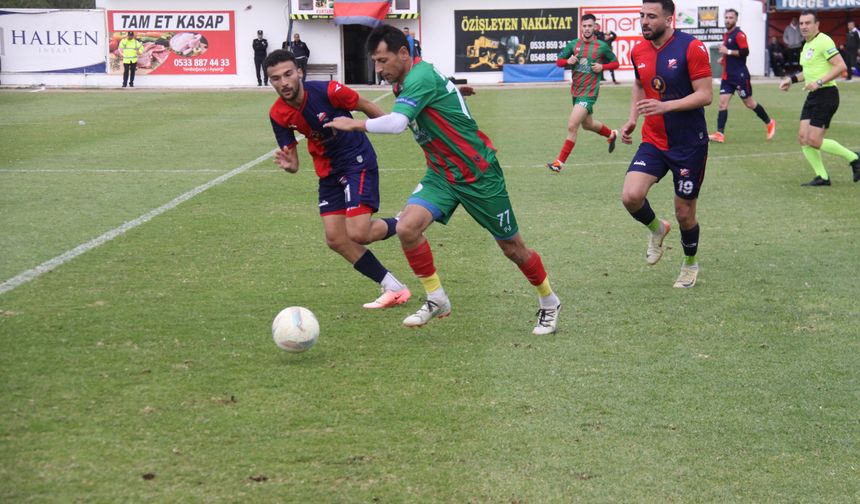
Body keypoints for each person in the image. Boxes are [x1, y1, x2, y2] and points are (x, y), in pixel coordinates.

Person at [326, 25, 562, 335]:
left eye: (383, 60)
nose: (379, 68)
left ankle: (549, 302)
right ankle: (437, 298)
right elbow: (435, 92)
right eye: (375, 61)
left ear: (403, 54)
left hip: (478, 174)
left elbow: (397, 124)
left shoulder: (418, 78)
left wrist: (354, 124)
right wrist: (452, 90)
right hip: (441, 174)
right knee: (408, 227)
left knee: (513, 248)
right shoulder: (409, 79)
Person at [264, 49, 411, 308]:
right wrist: (288, 165)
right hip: (328, 171)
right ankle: (393, 287)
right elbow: (294, 164)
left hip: (356, 160)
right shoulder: (277, 114)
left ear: (300, 72)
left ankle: (406, 222)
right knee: (336, 239)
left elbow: (366, 106)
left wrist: (390, 126)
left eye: (288, 74)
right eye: (276, 78)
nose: (284, 82)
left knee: (359, 232)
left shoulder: (329, 90)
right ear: (270, 81)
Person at [619, 0, 713, 289]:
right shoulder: (638, 50)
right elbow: (638, 83)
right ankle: (657, 229)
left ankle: (689, 263)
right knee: (631, 196)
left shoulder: (692, 48)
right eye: (641, 16)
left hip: (689, 145)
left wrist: (666, 106)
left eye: (651, 17)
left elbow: (706, 95)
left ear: (669, 19)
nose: (644, 22)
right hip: (654, 140)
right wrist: (633, 117)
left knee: (685, 213)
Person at [779, 11, 860, 186]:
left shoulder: (824, 41)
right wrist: (791, 80)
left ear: (817, 25)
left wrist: (820, 82)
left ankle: (854, 158)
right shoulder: (807, 45)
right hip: (813, 95)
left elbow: (841, 66)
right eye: (801, 23)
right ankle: (822, 177)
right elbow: (807, 73)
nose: (804, 27)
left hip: (827, 95)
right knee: (803, 137)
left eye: (808, 23)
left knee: (814, 140)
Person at [546, 14, 621, 172]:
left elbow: (616, 63)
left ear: (595, 27)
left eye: (590, 26)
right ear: (581, 27)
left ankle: (559, 163)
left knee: (572, 125)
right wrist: (568, 61)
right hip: (576, 91)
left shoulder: (601, 46)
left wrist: (603, 67)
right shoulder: (574, 45)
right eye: (585, 26)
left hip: (589, 92)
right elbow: (558, 61)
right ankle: (611, 134)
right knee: (588, 125)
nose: (587, 28)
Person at [708, 9, 776, 144]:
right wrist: (724, 58)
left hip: (740, 76)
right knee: (722, 104)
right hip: (727, 76)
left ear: (736, 19)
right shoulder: (727, 34)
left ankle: (769, 122)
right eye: (726, 17)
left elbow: (745, 52)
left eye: (731, 17)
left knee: (749, 103)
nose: (728, 20)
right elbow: (732, 53)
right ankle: (719, 133)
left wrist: (727, 51)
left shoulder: (739, 34)